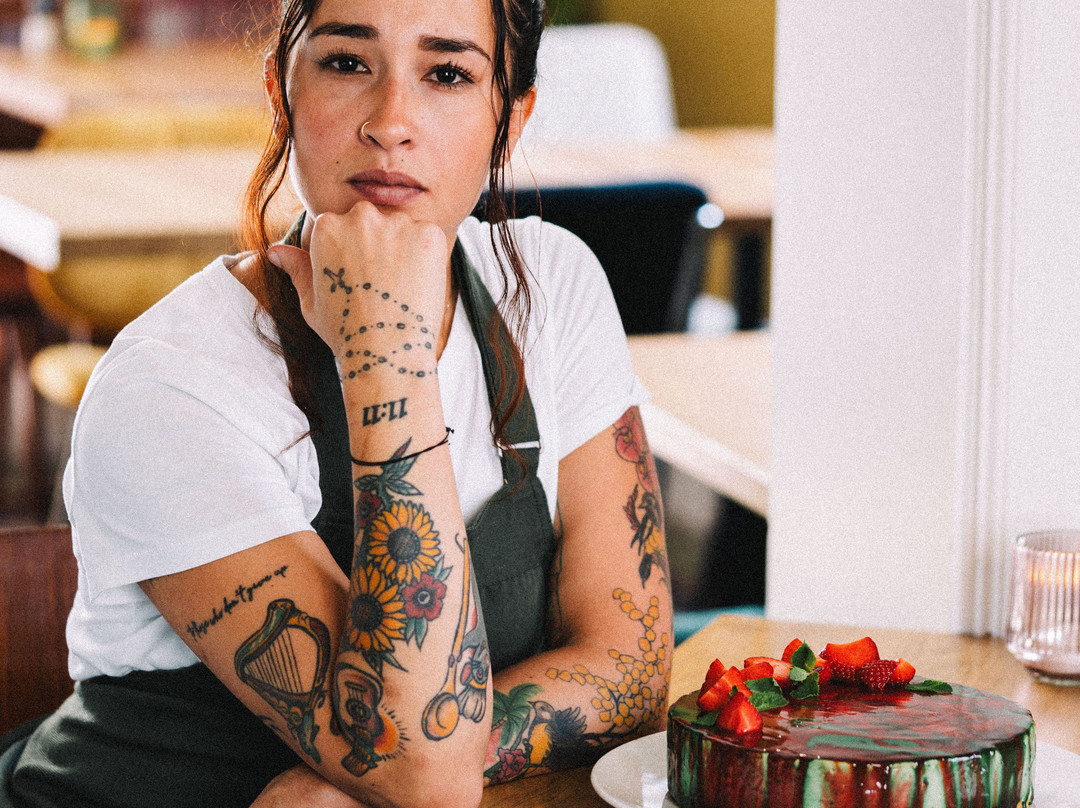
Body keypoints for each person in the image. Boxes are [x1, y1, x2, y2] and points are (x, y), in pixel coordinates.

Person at [0, 0, 672, 803]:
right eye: (348, 63)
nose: (391, 123)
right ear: (282, 93)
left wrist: (363, 785)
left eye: (448, 73)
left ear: (511, 121)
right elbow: (422, 774)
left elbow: (632, 667)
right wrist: (384, 355)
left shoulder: (552, 289)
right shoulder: (169, 383)